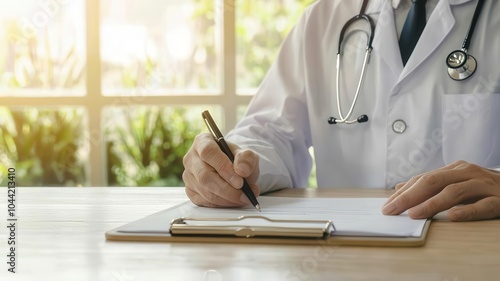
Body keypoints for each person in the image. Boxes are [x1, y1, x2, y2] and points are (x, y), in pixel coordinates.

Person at [182, 0, 500, 221]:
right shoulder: (323, 19)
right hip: (346, 254)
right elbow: (271, 132)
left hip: (474, 249)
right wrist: (235, 164)